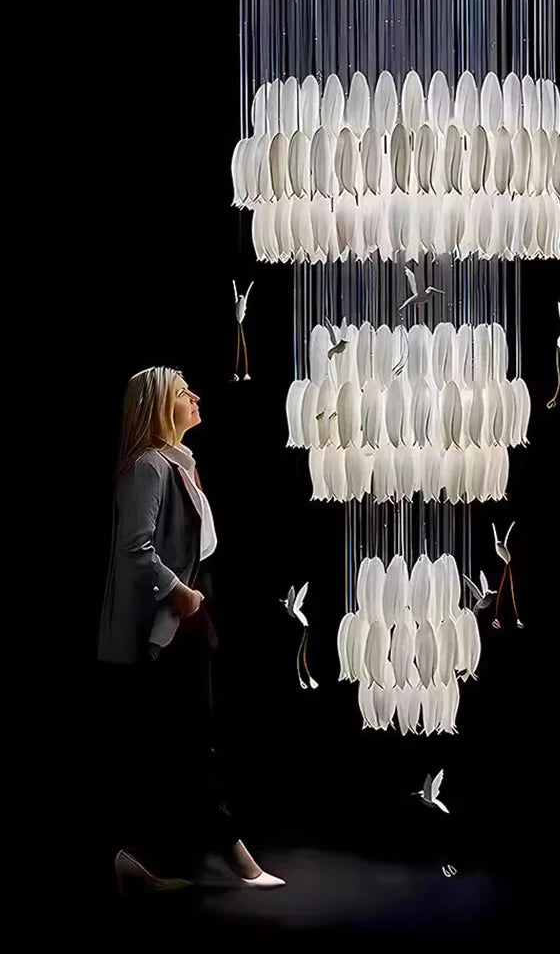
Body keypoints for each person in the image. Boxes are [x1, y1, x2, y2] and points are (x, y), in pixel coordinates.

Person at [99, 366, 285, 894]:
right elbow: (134, 550)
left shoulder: (180, 464)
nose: (196, 396)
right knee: (187, 740)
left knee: (184, 739)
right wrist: (179, 594)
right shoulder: (148, 468)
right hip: (171, 620)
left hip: (190, 614)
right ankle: (232, 854)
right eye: (184, 392)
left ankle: (150, 859)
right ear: (159, 407)